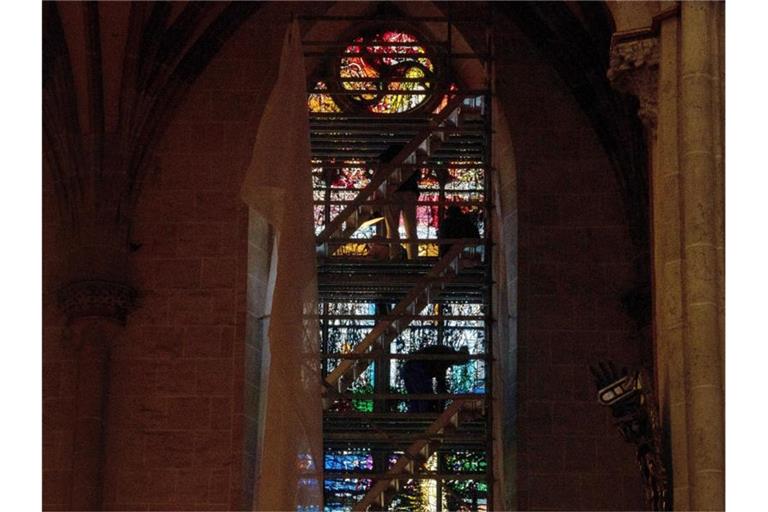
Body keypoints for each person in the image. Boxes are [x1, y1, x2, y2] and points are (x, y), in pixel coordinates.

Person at [379, 143, 420, 260]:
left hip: (393, 193)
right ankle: (413, 257)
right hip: (410, 192)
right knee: (411, 229)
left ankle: (394, 257)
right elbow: (417, 174)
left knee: (392, 228)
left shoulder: (387, 156)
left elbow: (380, 173)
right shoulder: (411, 157)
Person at [401, 345, 470, 413]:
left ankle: (416, 418)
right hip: (417, 368)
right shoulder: (448, 355)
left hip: (410, 366)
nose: (459, 364)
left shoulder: (447, 352)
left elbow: (440, 373)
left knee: (416, 398)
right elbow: (440, 372)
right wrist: (442, 389)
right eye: (462, 362)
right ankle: (423, 418)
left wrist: (442, 388)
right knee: (425, 397)